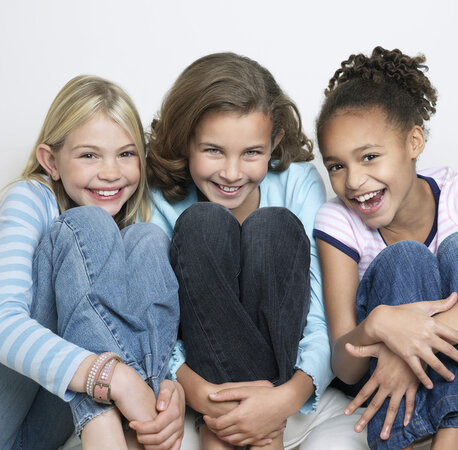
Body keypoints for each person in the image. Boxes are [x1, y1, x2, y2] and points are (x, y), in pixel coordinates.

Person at [0, 75, 184, 450]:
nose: (111, 171)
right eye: (89, 155)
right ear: (51, 161)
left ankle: (143, 419)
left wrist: (168, 386)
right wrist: (115, 379)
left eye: (126, 154)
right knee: (85, 224)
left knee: (147, 240)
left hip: (42, 425)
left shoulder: (128, 225)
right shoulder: (29, 198)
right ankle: (107, 419)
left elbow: (149, 323)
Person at [313, 46, 458, 449]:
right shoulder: (336, 219)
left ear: (413, 142)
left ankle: (450, 442)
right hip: (391, 398)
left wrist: (416, 341)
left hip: (452, 396)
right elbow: (344, 365)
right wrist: (379, 327)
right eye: (336, 165)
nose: (354, 181)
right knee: (405, 258)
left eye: (370, 157)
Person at [147, 52, 332, 450]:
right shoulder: (160, 198)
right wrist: (199, 393)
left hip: (278, 389)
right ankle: (245, 436)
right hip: (207, 383)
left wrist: (287, 396)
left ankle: (228, 435)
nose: (231, 173)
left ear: (275, 143)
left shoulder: (299, 182)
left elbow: (323, 308)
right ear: (185, 141)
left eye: (251, 153)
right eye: (213, 150)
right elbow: (155, 314)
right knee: (203, 223)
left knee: (274, 227)